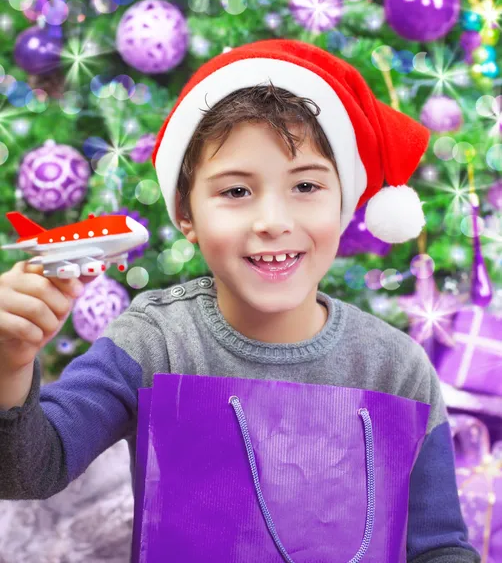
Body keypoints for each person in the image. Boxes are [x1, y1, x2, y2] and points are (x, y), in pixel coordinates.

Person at [0, 39, 480, 562]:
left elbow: (439, 547)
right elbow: (29, 471)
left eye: (305, 186)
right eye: (235, 192)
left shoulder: (396, 369)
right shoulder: (154, 344)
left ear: (344, 202)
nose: (272, 220)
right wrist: (10, 363)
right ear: (186, 213)